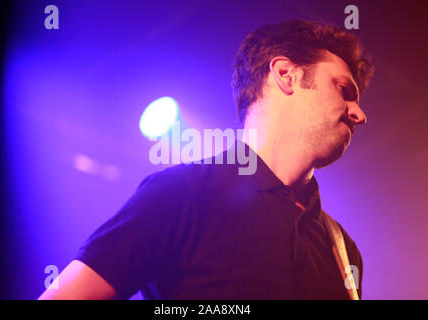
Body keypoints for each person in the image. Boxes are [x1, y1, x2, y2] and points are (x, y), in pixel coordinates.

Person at [39, 19, 374, 300]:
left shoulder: (344, 249)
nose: (359, 114)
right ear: (286, 75)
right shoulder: (183, 193)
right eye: (344, 90)